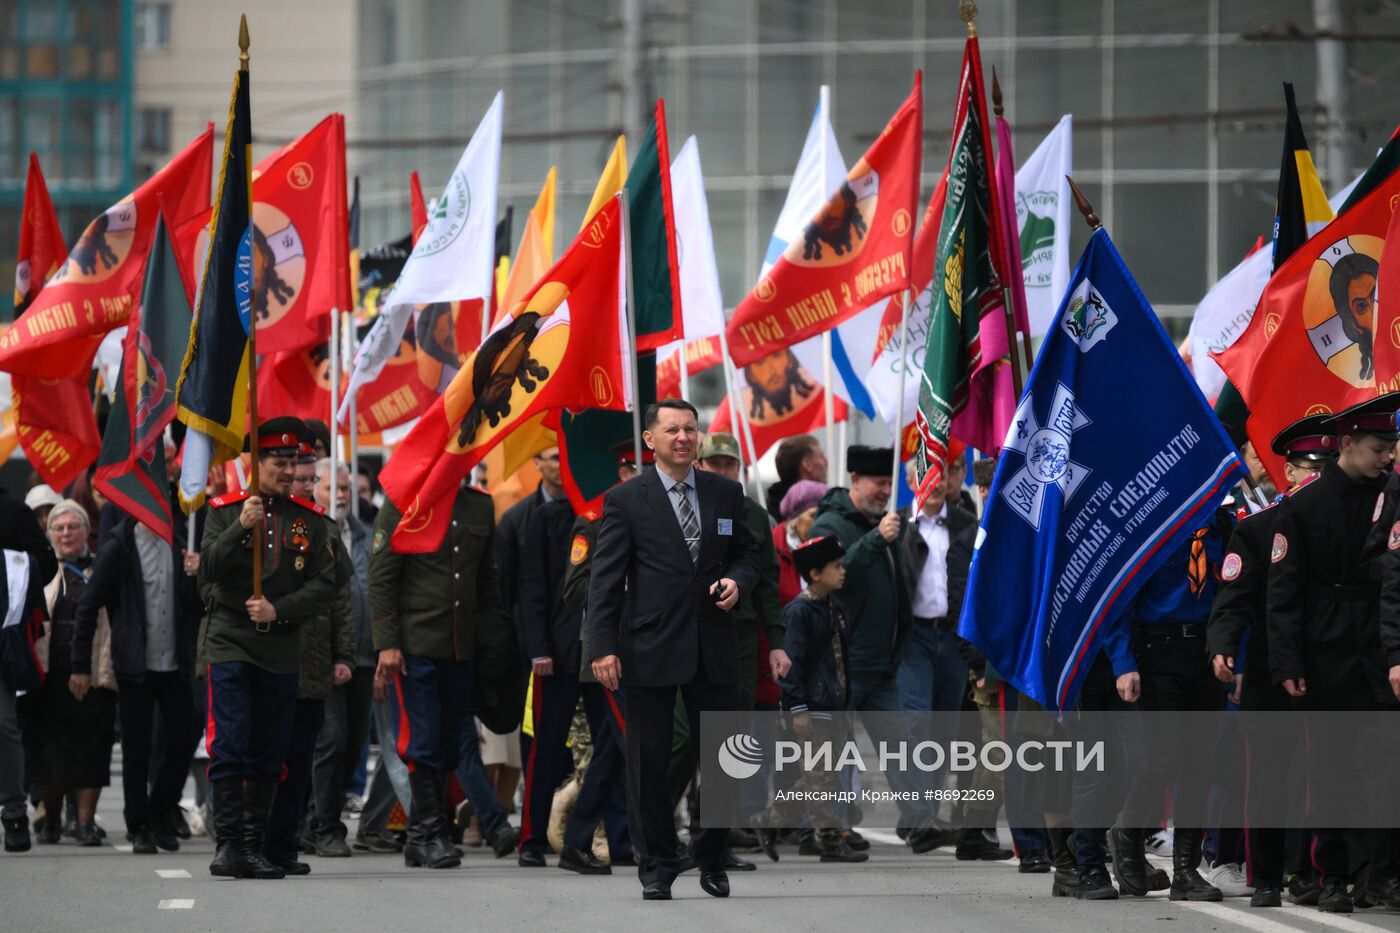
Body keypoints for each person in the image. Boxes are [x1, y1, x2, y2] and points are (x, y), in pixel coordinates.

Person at [587, 399, 758, 900]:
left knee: (726, 758)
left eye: (690, 429)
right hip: (649, 647)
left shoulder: (726, 493)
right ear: (651, 441)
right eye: (672, 430)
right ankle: (657, 863)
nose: (683, 437)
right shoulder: (626, 499)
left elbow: (747, 554)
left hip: (714, 643)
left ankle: (709, 854)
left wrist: (737, 582)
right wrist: (602, 647)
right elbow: (605, 580)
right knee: (648, 763)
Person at [1268, 393, 1400, 913]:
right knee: (1330, 772)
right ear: (1346, 444)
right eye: (1377, 448)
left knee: (1384, 770)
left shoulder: (1391, 494)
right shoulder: (1303, 506)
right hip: (1325, 655)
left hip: (1379, 652)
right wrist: (1288, 664)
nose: (1387, 457)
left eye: (1392, 447)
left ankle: (1381, 875)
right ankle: (1332, 877)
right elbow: (1283, 594)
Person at [199, 418, 336, 880]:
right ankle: (229, 845)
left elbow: (325, 584)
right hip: (231, 639)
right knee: (230, 744)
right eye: (278, 462)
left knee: (270, 752)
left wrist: (279, 609)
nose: (286, 470)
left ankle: (255, 847)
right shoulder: (225, 509)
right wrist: (241, 526)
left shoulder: (308, 520)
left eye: (292, 462)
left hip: (280, 645)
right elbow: (209, 570)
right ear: (254, 463)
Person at [1208, 415, 1334, 908]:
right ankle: (1264, 875)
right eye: (1309, 468)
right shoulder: (1259, 528)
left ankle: (1308, 871)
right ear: (1290, 471)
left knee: (1314, 774)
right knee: (1266, 776)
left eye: (1325, 467)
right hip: (1264, 667)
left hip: (1320, 663)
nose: (1316, 478)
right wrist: (1223, 646)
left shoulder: (1339, 524)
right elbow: (1233, 598)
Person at [370, 476, 506, 870]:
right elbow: (381, 576)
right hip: (415, 645)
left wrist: (492, 636)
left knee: (448, 742)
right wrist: (387, 643)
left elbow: (485, 579)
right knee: (421, 742)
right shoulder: (404, 501)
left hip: (460, 645)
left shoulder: (478, 504)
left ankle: (421, 837)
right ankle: (430, 832)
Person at [1106, 500, 1234, 903]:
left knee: (1199, 760)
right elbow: (1120, 599)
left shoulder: (1224, 527)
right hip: (1156, 650)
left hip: (1207, 650)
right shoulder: (1154, 521)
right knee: (1163, 755)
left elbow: (1235, 594)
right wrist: (1123, 662)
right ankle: (1126, 834)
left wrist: (1234, 653)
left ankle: (1185, 869)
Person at [808, 446, 934, 848]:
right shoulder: (828, 524)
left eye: (888, 483)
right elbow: (832, 578)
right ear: (855, 480)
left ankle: (920, 819)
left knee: (900, 745)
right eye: (878, 483)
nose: (884, 491)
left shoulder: (886, 523)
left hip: (881, 663)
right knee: (839, 748)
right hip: (844, 660)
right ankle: (838, 826)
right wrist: (876, 541)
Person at [517, 462, 629, 873]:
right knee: (546, 750)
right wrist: (538, 648)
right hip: (561, 653)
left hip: (608, 653)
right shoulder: (550, 519)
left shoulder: (628, 512)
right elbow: (533, 590)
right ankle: (530, 840)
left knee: (613, 746)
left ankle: (620, 838)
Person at [73, 499, 202, 855]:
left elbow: (197, 607)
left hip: (176, 662)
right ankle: (139, 824)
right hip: (135, 665)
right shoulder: (119, 547)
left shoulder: (179, 543)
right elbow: (87, 607)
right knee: (137, 748)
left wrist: (198, 575)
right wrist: (79, 665)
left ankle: (161, 808)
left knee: (182, 740)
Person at [262, 444, 355, 876]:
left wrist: (343, 655)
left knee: (326, 743)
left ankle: (317, 827)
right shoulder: (262, 523)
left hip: (317, 659)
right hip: (270, 656)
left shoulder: (325, 529)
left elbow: (341, 599)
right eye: (300, 478)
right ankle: (273, 834)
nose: (305, 485)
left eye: (310, 480)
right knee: (272, 750)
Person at [767, 534, 866, 863]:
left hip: (833, 708)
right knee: (820, 779)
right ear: (814, 574)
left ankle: (765, 822)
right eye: (836, 567)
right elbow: (791, 664)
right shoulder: (799, 612)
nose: (843, 572)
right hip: (811, 709)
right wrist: (797, 707)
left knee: (818, 778)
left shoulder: (832, 608)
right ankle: (830, 843)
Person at [24, 500, 117, 846]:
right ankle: (50, 820)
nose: (66, 533)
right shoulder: (40, 569)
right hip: (48, 675)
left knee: (92, 749)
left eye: (72, 527)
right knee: (49, 752)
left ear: (85, 532)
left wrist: (94, 673)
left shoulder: (101, 569)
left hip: (93, 673)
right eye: (59, 528)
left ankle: (85, 823)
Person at [308, 459, 376, 858]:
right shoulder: (315, 532)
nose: (341, 495)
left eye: (346, 488)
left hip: (364, 654)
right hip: (326, 655)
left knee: (352, 745)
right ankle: (324, 826)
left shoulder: (365, 534)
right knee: (330, 739)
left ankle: (319, 817)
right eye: (331, 487)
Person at [1, 484, 58, 853]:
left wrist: (13, 566)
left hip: (1, 633)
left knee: (3, 724)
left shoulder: (11, 511)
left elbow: (46, 562)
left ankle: (14, 811)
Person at [774, 479, 827, 607]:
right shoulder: (773, 546)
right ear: (795, 519)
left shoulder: (828, 543)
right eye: (813, 515)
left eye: (824, 514)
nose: (820, 521)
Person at [766, 434, 828, 522]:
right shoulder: (824, 510)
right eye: (822, 456)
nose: (826, 462)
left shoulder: (770, 517)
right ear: (807, 465)